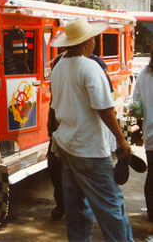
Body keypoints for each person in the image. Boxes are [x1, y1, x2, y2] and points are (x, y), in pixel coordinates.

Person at [48, 18, 133, 241]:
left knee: (76, 209)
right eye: (93, 38)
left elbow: (56, 110)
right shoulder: (89, 66)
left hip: (67, 146)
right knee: (111, 207)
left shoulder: (58, 67)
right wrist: (121, 140)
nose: (94, 41)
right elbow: (105, 108)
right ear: (86, 43)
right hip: (91, 149)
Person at [47, 51, 116, 218]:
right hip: (63, 128)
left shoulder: (95, 63)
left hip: (86, 134)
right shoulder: (58, 63)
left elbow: (106, 100)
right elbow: (54, 98)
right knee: (55, 169)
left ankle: (78, 209)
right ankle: (62, 204)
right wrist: (51, 127)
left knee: (93, 187)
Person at [132, 43, 153, 221]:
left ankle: (152, 214)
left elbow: (136, 105)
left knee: (152, 174)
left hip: (151, 133)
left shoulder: (144, 74)